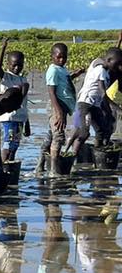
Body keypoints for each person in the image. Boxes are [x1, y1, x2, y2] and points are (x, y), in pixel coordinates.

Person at [67, 47, 122, 158]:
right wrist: (116, 108)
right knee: (83, 132)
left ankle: (98, 154)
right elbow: (102, 93)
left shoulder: (107, 72)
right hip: (85, 103)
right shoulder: (100, 69)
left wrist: (108, 113)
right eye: (116, 65)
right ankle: (68, 153)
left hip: (95, 105)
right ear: (109, 60)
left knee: (101, 130)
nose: (118, 67)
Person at [37, 42, 83, 174]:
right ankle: (53, 171)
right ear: (52, 56)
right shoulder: (52, 70)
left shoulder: (61, 69)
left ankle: (40, 166)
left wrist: (76, 74)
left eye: (64, 57)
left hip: (62, 107)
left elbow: (65, 80)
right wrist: (59, 113)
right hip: (56, 107)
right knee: (58, 137)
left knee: (51, 135)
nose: (62, 60)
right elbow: (51, 92)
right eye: (59, 57)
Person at [0, 38, 30, 162]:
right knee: (7, 144)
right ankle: (3, 166)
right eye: (14, 65)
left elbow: (24, 103)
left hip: (20, 118)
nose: (17, 67)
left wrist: (27, 123)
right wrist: (3, 47)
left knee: (14, 145)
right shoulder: (6, 77)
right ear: (8, 65)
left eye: (20, 65)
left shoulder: (23, 80)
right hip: (7, 118)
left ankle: (10, 166)